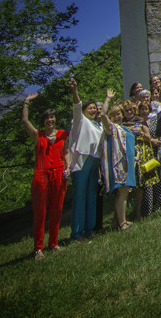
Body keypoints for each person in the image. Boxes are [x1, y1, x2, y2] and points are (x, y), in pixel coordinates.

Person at [21, 93, 69, 259]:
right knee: (40, 212)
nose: (50, 120)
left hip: (59, 173)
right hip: (41, 176)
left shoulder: (63, 134)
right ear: (43, 121)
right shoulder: (38, 136)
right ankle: (38, 248)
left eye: (53, 117)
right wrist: (26, 103)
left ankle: (54, 243)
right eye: (47, 118)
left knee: (57, 209)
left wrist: (68, 168)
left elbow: (66, 152)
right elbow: (25, 122)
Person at [68, 80, 109, 241]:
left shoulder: (97, 125)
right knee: (80, 197)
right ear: (84, 110)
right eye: (89, 108)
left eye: (94, 108)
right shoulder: (80, 121)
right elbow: (77, 106)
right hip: (82, 161)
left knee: (91, 195)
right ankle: (77, 233)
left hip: (94, 161)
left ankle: (89, 228)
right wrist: (75, 90)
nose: (92, 110)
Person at [100, 90, 139, 230]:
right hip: (119, 166)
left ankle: (120, 221)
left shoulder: (124, 128)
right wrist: (107, 99)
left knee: (125, 192)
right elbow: (102, 114)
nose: (117, 117)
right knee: (122, 192)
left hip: (128, 163)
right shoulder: (111, 128)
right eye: (114, 115)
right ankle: (122, 223)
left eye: (118, 114)